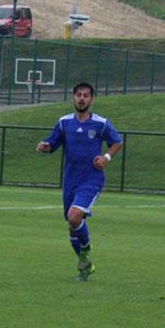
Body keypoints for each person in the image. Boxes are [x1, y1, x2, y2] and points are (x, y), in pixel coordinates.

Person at [37, 82, 122, 281]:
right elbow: (52, 144)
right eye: (78, 95)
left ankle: (86, 248)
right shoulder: (64, 122)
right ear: (73, 98)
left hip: (91, 179)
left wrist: (106, 157)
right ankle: (86, 265)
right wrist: (44, 146)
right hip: (70, 181)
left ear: (91, 99)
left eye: (86, 95)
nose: (82, 98)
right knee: (72, 225)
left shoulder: (100, 123)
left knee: (74, 216)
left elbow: (117, 142)